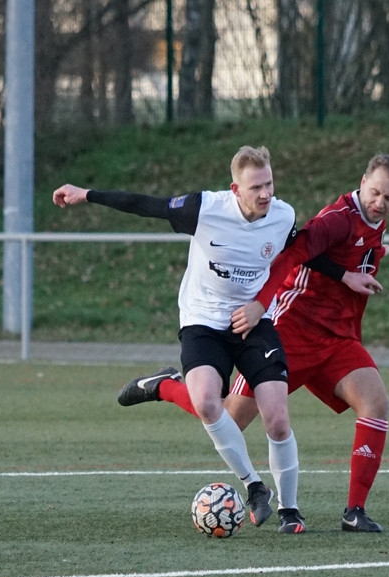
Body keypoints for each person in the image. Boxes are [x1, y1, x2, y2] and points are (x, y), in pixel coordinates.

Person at [121, 154, 389, 533]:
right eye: (375, 193)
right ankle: (166, 386)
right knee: (228, 417)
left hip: (337, 340)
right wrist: (262, 303)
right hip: (292, 329)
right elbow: (292, 253)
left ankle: (354, 511)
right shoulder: (338, 218)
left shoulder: (375, 223)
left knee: (376, 403)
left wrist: (359, 266)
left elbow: (351, 254)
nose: (380, 202)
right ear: (363, 182)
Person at [53, 145, 305, 534]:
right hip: (203, 320)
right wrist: (86, 194)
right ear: (235, 189)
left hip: (254, 322)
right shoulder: (205, 208)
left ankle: (290, 510)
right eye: (256, 187)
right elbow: (145, 204)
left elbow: (302, 251)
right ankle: (255, 486)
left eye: (269, 184)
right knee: (206, 401)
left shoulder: (283, 215)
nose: (266, 194)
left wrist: (344, 276)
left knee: (277, 418)